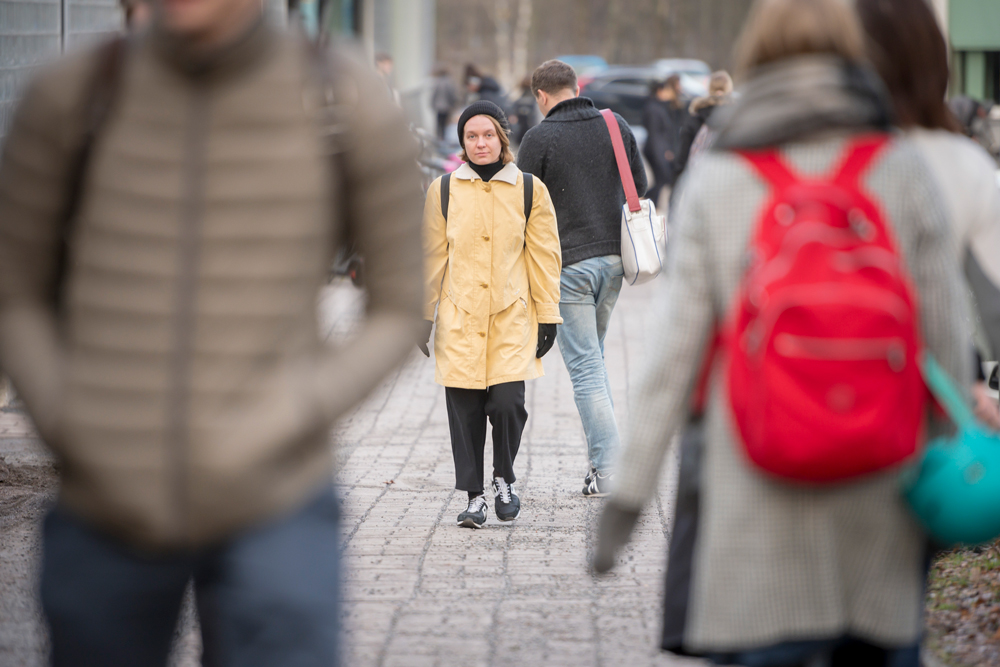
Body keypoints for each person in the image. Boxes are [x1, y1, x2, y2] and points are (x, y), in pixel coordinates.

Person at [0, 0, 425, 662]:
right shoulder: (71, 94)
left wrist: (298, 407)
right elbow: (15, 290)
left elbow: (400, 306)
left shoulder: (344, 97)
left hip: (275, 495)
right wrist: (65, 415)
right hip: (106, 499)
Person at [594, 1, 970, 666]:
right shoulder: (900, 167)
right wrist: (947, 467)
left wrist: (626, 499)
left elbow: (673, 358)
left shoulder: (720, 177)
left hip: (755, 499)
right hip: (882, 496)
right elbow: (943, 336)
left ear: (756, 55)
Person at [857, 0, 1000, 431]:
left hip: (820, 399)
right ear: (934, 59)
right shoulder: (965, 164)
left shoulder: (808, 158)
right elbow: (993, 304)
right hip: (937, 410)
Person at [420, 101, 562, 528]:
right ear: (462, 142)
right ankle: (475, 497)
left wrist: (549, 314)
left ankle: (504, 478)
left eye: (487, 135)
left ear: (502, 137)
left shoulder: (529, 189)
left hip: (510, 317)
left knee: (506, 404)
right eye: (471, 137)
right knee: (463, 411)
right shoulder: (443, 190)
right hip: (460, 319)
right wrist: (423, 314)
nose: (480, 144)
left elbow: (544, 255)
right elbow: (430, 257)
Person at [517, 59, 647, 497]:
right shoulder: (615, 125)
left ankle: (611, 469)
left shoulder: (539, 138)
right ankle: (603, 463)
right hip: (614, 262)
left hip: (568, 267)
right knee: (595, 360)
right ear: (576, 87)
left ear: (541, 96)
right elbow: (640, 186)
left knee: (586, 367)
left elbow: (523, 208)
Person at [674, 70, 734, 179]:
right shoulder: (736, 117)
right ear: (729, 90)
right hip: (728, 179)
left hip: (698, 180)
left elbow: (683, 156)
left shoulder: (695, 116)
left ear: (709, 89)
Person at [641, 74, 687, 209]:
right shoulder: (653, 109)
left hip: (660, 149)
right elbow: (656, 135)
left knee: (662, 180)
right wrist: (663, 152)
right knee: (663, 179)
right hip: (656, 150)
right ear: (659, 91)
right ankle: (647, 203)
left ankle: (650, 204)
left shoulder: (661, 107)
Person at [510, 74, 541, 146]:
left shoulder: (517, 102)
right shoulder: (537, 101)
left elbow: (512, 120)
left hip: (519, 139)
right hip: (534, 138)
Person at [431, 64, 459, 141]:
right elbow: (451, 94)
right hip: (446, 106)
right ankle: (443, 138)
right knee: (445, 123)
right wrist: (453, 104)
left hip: (438, 106)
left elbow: (434, 94)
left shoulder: (438, 81)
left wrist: (432, 103)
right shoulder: (449, 82)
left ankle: (439, 138)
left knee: (439, 123)